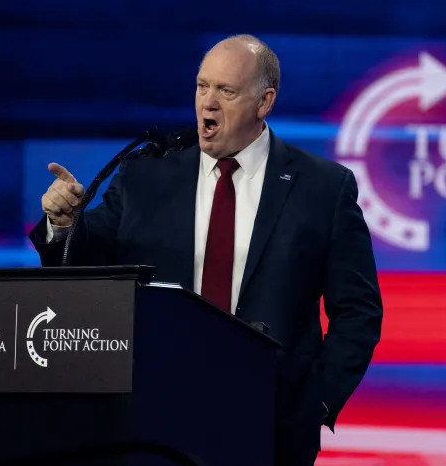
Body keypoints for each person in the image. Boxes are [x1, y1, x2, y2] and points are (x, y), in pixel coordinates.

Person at [30, 34, 382, 466]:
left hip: (271, 424)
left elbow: (359, 311)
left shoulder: (322, 188)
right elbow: (85, 264)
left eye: (226, 91)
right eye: (202, 86)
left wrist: (316, 405)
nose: (207, 103)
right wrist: (64, 223)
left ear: (264, 101)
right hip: (154, 420)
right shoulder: (146, 175)